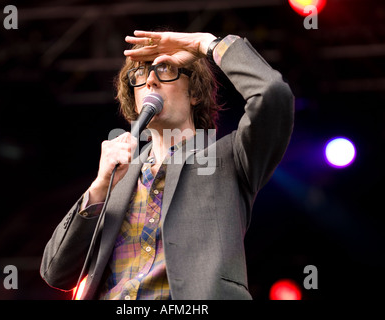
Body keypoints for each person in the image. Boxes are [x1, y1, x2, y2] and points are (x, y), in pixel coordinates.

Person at [40, 30, 294, 300]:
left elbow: (272, 94)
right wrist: (100, 188)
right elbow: (56, 272)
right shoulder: (118, 174)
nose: (150, 79)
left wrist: (206, 45)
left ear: (194, 92)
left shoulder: (229, 157)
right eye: (140, 73)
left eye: (165, 69)